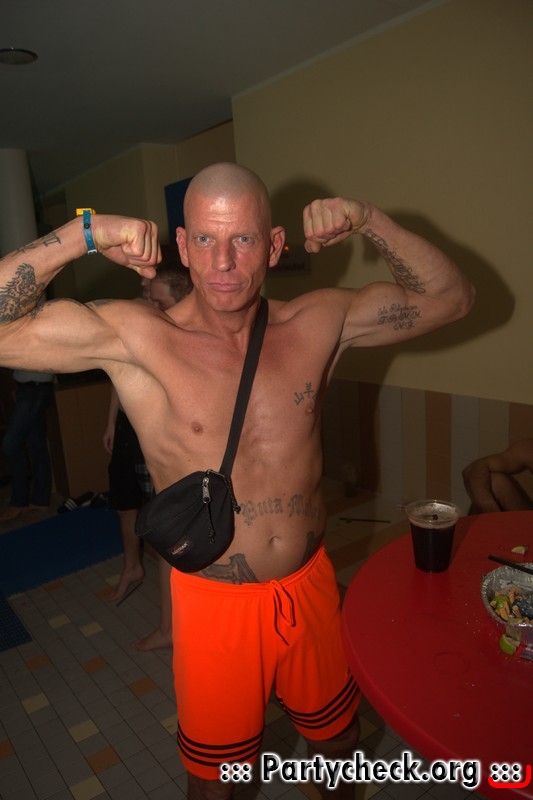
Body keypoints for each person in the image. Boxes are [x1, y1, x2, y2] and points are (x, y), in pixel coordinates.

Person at [0, 163, 474, 798]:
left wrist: (371, 221)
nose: (223, 262)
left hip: (309, 589)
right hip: (212, 606)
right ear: (182, 244)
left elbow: (452, 300)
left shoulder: (319, 322)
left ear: (274, 246)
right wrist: (84, 233)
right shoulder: (138, 336)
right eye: (205, 239)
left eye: (243, 239)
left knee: (339, 745)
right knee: (219, 781)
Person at [103, 254, 192, 654]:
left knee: (167, 530)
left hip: (160, 435)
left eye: (158, 299)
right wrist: (111, 421)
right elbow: (119, 370)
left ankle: (170, 626)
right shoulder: (145, 317)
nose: (150, 303)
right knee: (126, 503)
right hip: (132, 428)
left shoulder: (188, 332)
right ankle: (133, 567)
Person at [0, 368, 54, 522]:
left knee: (10, 444)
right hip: (27, 388)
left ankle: (19, 501)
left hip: (35, 388)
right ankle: (40, 500)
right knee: (37, 444)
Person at [462, 440, 533, 513]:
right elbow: (473, 468)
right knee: (495, 483)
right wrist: (487, 503)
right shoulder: (529, 448)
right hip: (528, 516)